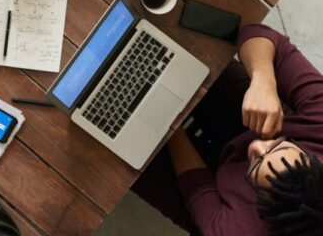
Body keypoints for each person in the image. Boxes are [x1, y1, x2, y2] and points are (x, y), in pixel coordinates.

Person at [132, 24, 323, 235]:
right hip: (249, 118)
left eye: (257, 163)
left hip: (214, 194)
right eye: (278, 145)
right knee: (195, 53)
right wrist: (263, 81)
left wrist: (168, 119)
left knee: (128, 158)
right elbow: (257, 33)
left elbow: (197, 187)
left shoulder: (238, 229)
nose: (257, 145)